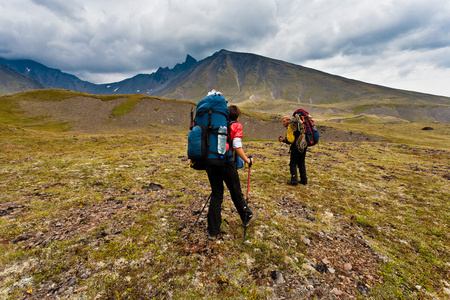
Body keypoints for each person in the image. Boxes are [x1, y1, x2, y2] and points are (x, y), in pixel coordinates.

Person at [205, 99, 257, 240]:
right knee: (235, 191)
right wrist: (247, 160)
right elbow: (237, 146)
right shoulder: (236, 126)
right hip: (226, 163)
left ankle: (213, 231)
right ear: (237, 116)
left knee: (216, 194)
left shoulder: (215, 125)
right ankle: (247, 217)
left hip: (210, 162)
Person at [278, 115, 307, 185]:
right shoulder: (297, 125)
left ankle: (294, 181)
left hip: (296, 147)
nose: (283, 123)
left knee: (293, 163)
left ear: (288, 121)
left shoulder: (290, 127)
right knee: (301, 163)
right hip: (303, 145)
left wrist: (283, 140)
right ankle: (304, 180)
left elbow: (291, 140)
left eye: (284, 121)